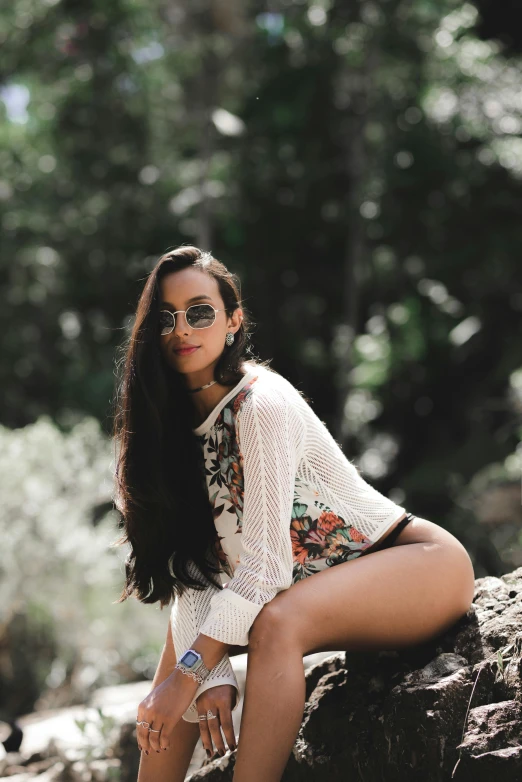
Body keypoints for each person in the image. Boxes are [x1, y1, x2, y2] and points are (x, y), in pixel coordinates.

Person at [112, 245, 476, 782]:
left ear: (233, 321)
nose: (182, 329)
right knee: (185, 639)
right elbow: (190, 569)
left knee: (278, 624)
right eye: (166, 317)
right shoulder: (170, 429)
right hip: (320, 597)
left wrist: (187, 679)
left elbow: (265, 570)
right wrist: (200, 665)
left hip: (419, 566)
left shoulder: (261, 406)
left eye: (200, 312)